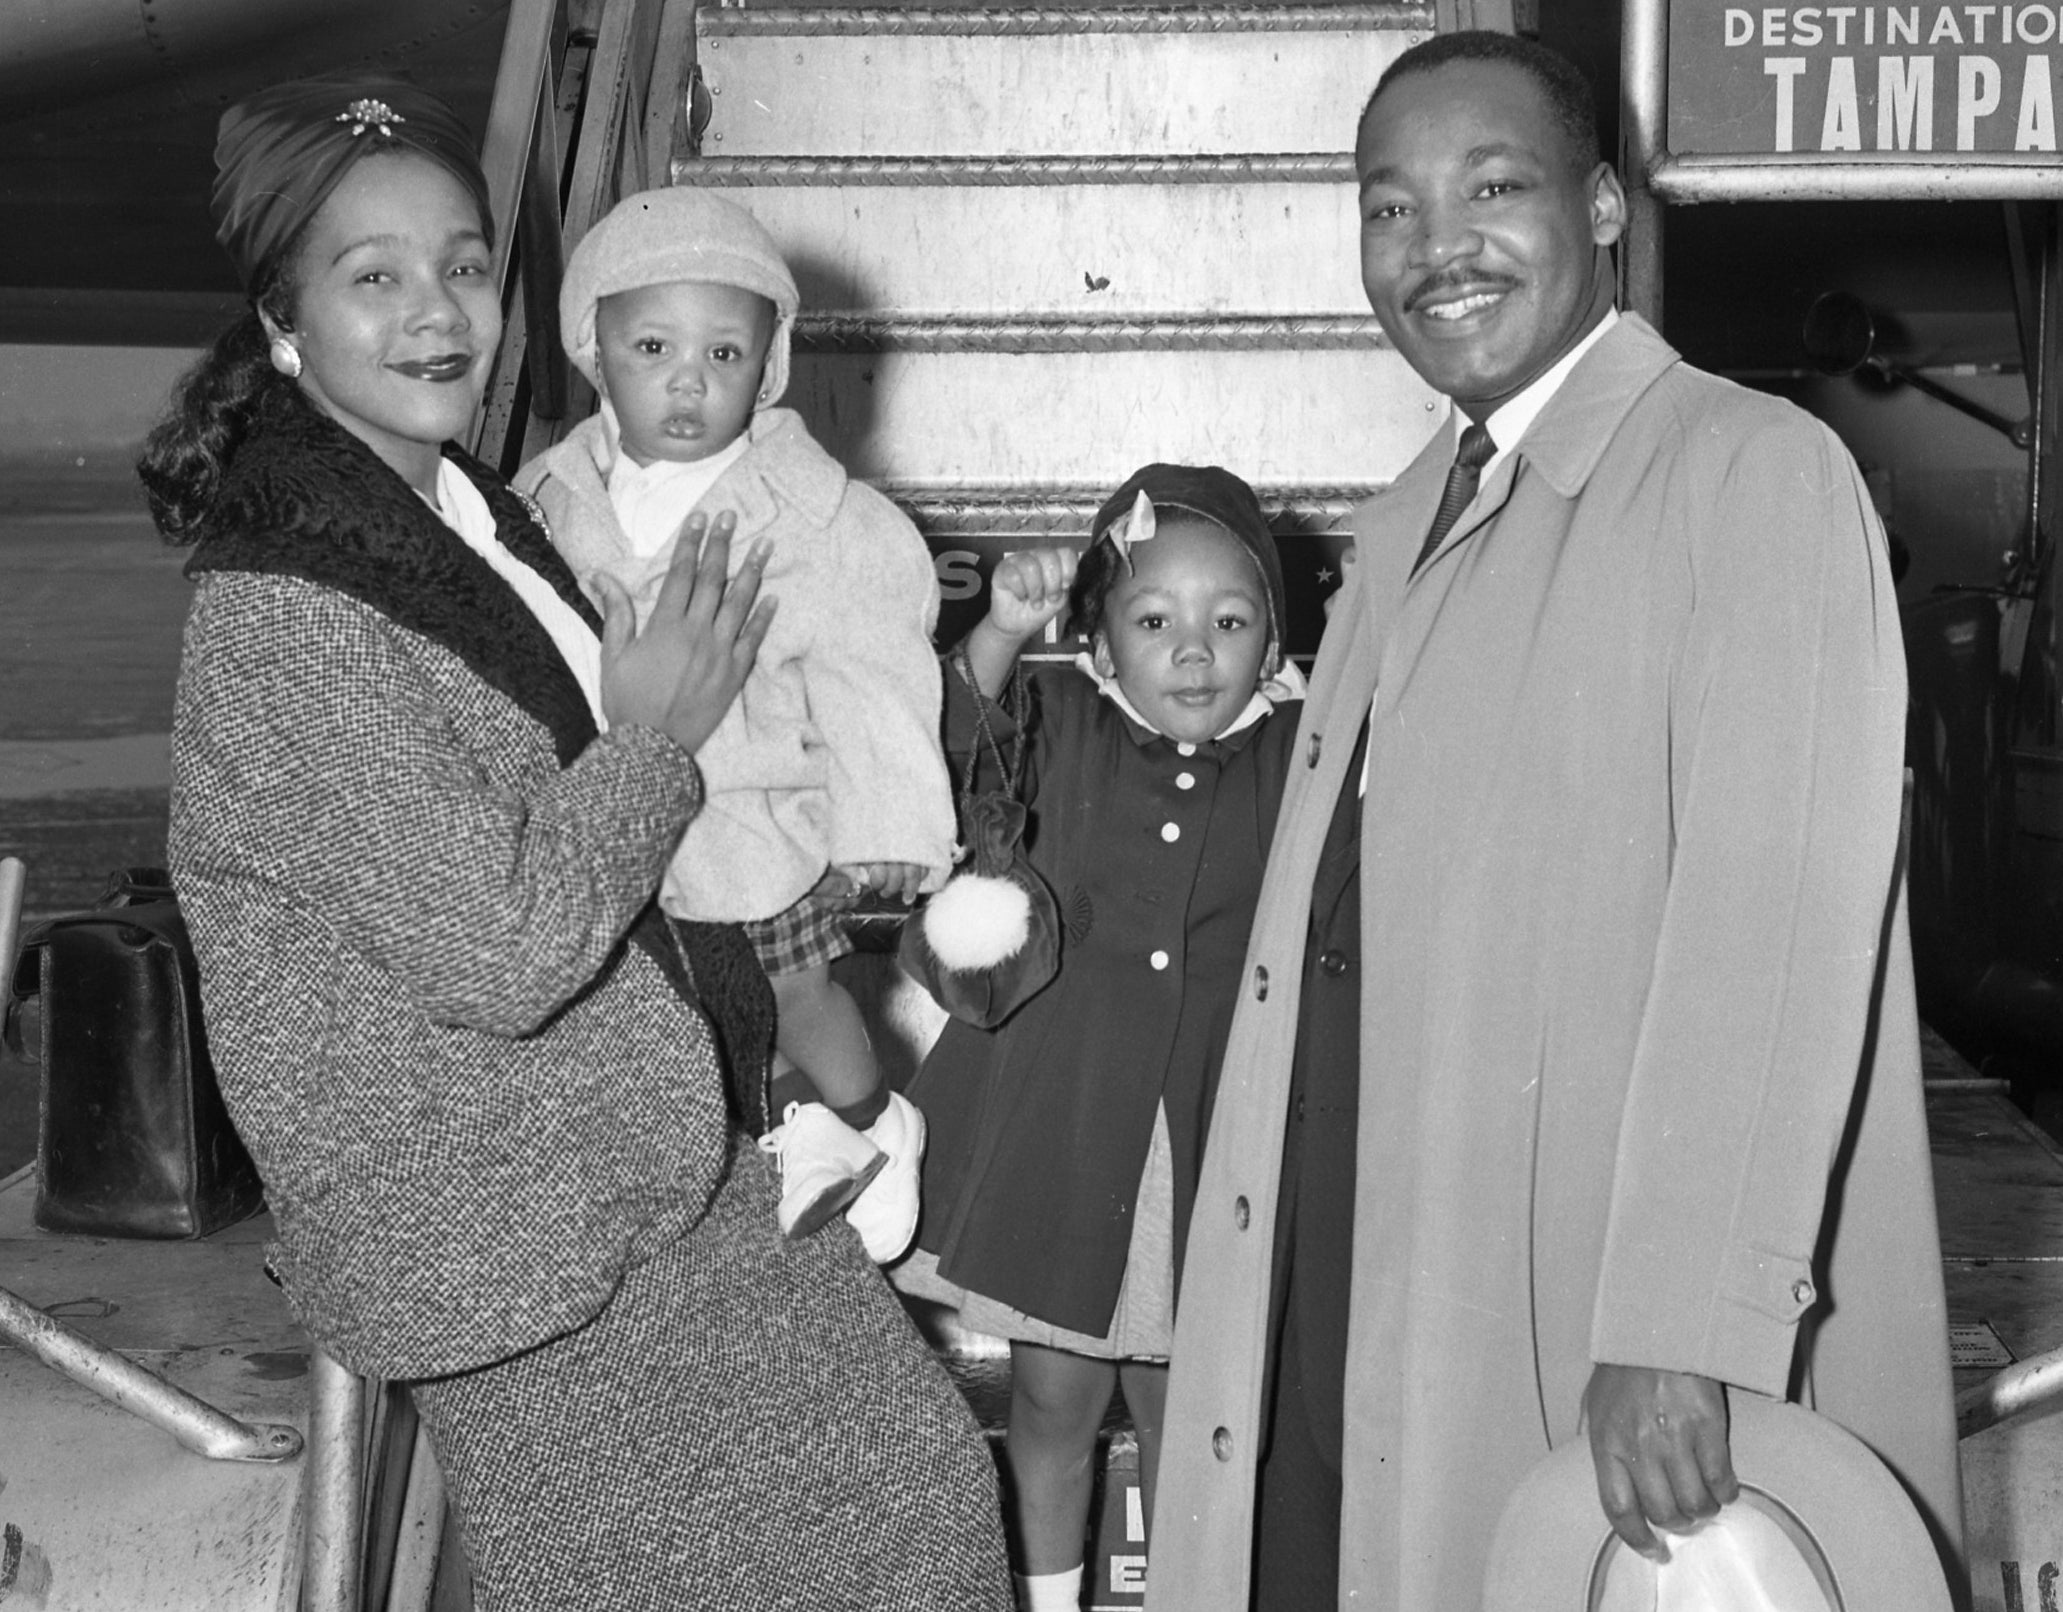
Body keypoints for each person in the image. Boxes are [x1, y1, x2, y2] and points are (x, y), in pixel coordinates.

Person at [141, 72, 1009, 1610]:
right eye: (374, 276)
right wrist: (658, 737)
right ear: (283, 322)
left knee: (921, 1500)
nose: (438, 314)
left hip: (647, 1161)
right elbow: (503, 940)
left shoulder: (468, 506)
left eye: (464, 267)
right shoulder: (284, 613)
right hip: (508, 1240)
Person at [1146, 31, 1963, 1611]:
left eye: (1490, 187)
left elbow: (1770, 927)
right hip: (1364, 1256)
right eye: (1386, 207)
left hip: (1592, 1309)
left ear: (1600, 207)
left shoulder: (1750, 474)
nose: (1431, 248)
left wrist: (1680, 1326)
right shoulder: (1402, 522)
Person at [893, 465, 1307, 1612]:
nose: (1191, 651)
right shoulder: (1059, 720)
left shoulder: (1298, 755)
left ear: (1272, 640)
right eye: (1153, 620)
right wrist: (999, 632)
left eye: (1228, 622)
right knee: (1054, 1399)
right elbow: (940, 751)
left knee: (1195, 1413)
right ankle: (1047, 1593)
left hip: (1212, 1139)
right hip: (1063, 1134)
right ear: (1100, 640)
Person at [518, 187, 953, 1261]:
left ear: (769, 367)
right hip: (614, 823)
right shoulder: (546, 496)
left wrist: (891, 815)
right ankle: (778, 1138)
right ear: (592, 347)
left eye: (724, 355)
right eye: (652, 346)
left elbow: (873, 661)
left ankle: (871, 1120)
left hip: (751, 809)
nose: (686, 380)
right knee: (667, 1020)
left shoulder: (812, 512)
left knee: (794, 987)